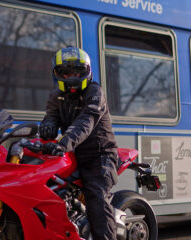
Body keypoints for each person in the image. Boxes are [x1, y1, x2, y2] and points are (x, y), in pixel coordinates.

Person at [40, 46, 118, 240]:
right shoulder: (56, 96)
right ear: (57, 74)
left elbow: (86, 122)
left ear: (87, 71)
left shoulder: (95, 92)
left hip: (99, 155)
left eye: (77, 71)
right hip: (72, 154)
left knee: (97, 198)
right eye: (65, 72)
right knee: (47, 187)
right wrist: (47, 126)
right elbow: (51, 116)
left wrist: (64, 142)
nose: (71, 76)